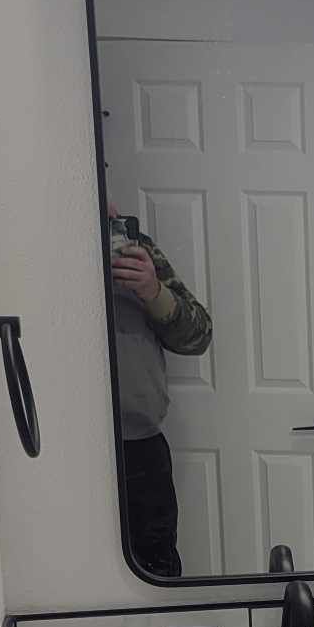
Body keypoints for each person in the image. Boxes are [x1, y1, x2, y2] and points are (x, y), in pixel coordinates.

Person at [109, 212, 213, 576]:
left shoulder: (136, 250)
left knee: (156, 574)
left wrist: (153, 291)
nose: (110, 207)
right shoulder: (29, 250)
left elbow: (199, 336)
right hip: (59, 454)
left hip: (139, 448)